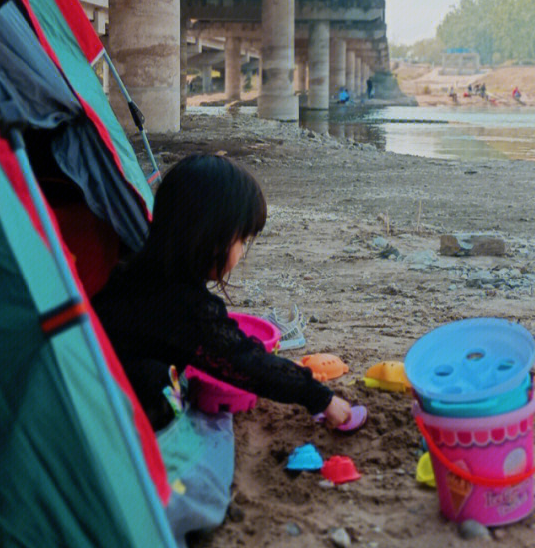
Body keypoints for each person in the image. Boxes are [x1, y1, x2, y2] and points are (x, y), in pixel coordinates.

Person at [92, 154, 353, 431]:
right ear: (209, 238)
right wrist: (321, 398)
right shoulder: (187, 307)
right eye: (241, 239)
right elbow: (247, 364)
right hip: (113, 416)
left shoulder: (134, 267)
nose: (241, 252)